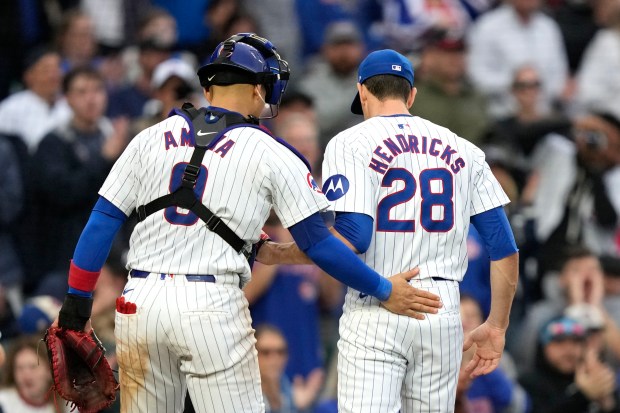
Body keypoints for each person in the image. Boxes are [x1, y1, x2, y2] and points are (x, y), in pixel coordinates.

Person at [51, 33, 441, 413]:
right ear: (259, 90)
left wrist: (76, 304)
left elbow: (101, 221)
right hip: (211, 306)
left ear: (209, 88)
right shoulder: (272, 151)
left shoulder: (149, 137)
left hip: (139, 302)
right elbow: (319, 243)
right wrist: (382, 287)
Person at [321, 49, 519, 412]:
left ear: (362, 92)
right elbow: (504, 248)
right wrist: (497, 324)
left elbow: (353, 236)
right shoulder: (466, 149)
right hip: (441, 309)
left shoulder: (349, 141)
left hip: (377, 298)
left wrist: (284, 252)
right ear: (412, 95)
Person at [518, 316, 620, 413]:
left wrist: (607, 404)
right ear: (542, 347)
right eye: (559, 341)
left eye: (576, 341)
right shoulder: (529, 383)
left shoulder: (596, 380)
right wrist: (582, 395)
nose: (569, 349)